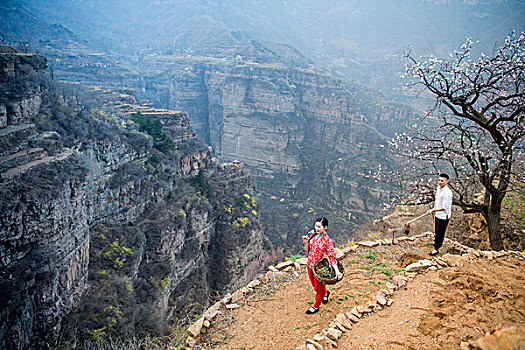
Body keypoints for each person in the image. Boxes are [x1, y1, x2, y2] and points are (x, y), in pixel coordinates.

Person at [301, 217, 343, 314]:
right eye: (316, 226)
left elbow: (332, 256)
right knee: (315, 286)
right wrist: (306, 243)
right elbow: (308, 252)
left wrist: (337, 271)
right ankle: (325, 293)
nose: (316, 228)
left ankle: (316, 306)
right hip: (309, 265)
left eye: (319, 227)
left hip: (318, 269)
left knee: (319, 289)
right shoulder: (313, 236)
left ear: (325, 227)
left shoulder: (327, 241)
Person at [427, 173, 453, 256]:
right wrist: (434, 209)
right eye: (439, 180)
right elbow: (437, 200)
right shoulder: (439, 188)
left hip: (443, 216)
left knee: (440, 232)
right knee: (436, 230)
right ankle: (436, 244)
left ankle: (436, 248)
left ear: (446, 182)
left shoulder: (447, 193)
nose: (440, 182)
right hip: (438, 214)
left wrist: (433, 210)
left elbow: (444, 207)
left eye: (442, 181)